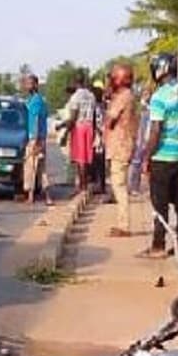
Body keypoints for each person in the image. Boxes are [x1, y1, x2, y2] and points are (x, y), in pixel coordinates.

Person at [139, 53, 178, 259]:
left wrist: (146, 156)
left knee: (160, 204)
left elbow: (155, 131)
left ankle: (158, 245)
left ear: (159, 70)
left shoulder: (159, 97)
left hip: (162, 156)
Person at [103, 64, 139, 237]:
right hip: (122, 144)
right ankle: (122, 222)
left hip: (120, 144)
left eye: (114, 78)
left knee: (119, 185)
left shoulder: (123, 97)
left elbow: (110, 119)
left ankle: (124, 225)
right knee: (118, 183)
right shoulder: (127, 96)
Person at [20, 73, 52, 206]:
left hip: (35, 138)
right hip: (40, 138)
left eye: (29, 83)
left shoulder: (36, 102)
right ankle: (47, 197)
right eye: (26, 83)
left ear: (35, 85)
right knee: (41, 168)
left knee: (31, 167)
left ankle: (31, 196)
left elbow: (37, 120)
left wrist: (37, 141)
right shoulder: (38, 101)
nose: (27, 86)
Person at [63, 74, 97, 192]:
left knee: (80, 158)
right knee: (87, 158)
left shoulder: (75, 97)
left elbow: (73, 117)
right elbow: (93, 115)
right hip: (89, 126)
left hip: (79, 127)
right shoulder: (91, 96)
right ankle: (85, 184)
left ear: (75, 83)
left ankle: (82, 186)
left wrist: (65, 131)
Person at [128, 86, 152, 195]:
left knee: (144, 163)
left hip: (147, 138)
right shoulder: (139, 108)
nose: (147, 96)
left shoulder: (151, 108)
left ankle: (139, 187)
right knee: (136, 162)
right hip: (139, 137)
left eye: (148, 94)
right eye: (145, 93)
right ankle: (134, 187)